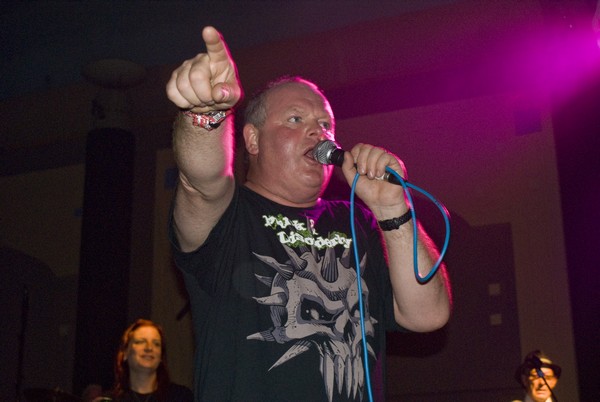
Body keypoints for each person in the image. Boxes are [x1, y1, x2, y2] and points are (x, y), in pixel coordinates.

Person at [165, 26, 452, 402]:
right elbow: (202, 179)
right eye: (295, 120)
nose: (319, 133)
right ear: (252, 140)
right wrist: (207, 114)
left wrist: (392, 210)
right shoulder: (231, 215)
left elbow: (428, 315)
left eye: (326, 124)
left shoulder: (359, 222)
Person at [108, 319, 193, 402]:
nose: (149, 348)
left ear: (161, 356)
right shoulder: (111, 399)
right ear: (125, 352)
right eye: (140, 342)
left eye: (156, 344)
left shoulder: (180, 396)